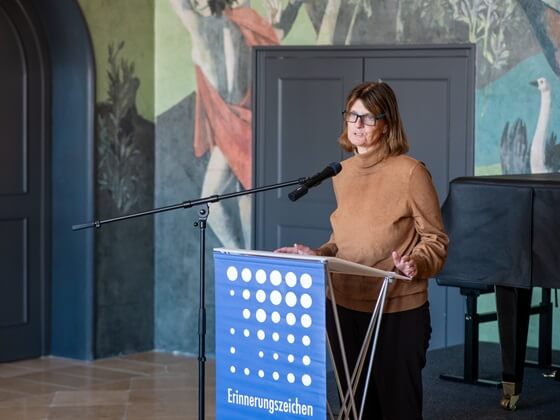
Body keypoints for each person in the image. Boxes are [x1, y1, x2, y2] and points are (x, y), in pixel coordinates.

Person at [276, 81, 449, 419]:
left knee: (398, 407)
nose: (357, 124)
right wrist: (318, 253)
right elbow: (345, 239)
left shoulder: (411, 172)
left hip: (396, 309)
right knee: (357, 407)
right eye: (352, 115)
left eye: (368, 118)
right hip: (342, 305)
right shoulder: (342, 173)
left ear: (387, 124)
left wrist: (415, 262)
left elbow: (436, 240)